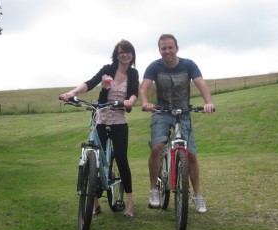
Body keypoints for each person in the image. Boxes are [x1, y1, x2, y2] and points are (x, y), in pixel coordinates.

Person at [60, 39, 139, 217]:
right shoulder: (107, 70)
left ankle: (130, 202)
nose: (125, 54)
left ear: (132, 55)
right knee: (96, 157)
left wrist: (130, 102)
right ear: (116, 55)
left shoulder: (133, 73)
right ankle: (94, 201)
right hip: (101, 117)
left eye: (128, 51)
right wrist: (72, 93)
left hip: (119, 119)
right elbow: (90, 82)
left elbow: (133, 92)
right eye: (121, 52)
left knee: (121, 159)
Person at [140, 34, 214, 213]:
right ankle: (153, 190)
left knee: (191, 155)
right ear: (159, 50)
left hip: (184, 113)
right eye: (163, 48)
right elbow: (145, 87)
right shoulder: (154, 66)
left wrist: (208, 102)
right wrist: (145, 102)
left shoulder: (188, 65)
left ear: (177, 48)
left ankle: (197, 195)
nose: (167, 51)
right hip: (161, 112)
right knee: (157, 147)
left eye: (170, 47)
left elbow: (200, 83)